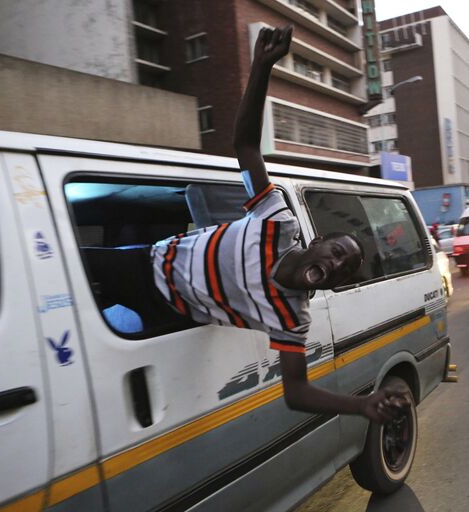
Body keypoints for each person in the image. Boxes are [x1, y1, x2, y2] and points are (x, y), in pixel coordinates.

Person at [150, 26, 407, 424]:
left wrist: (361, 405)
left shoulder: (291, 318)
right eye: (338, 253)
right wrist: (262, 67)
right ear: (316, 241)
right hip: (143, 263)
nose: (337, 265)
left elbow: (297, 393)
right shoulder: (274, 218)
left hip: (163, 310)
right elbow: (246, 147)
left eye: (342, 272)